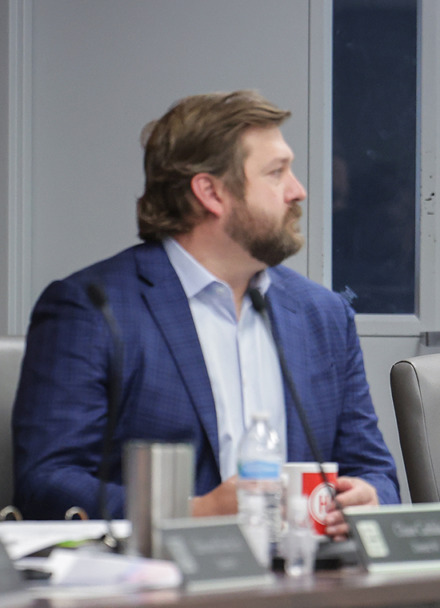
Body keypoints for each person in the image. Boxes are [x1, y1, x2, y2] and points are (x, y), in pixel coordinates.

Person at [13, 91, 399, 535]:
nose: (298, 191)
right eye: (276, 174)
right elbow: (45, 482)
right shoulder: (93, 308)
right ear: (211, 192)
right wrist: (191, 511)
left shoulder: (323, 315)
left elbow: (377, 474)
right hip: (156, 586)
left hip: (306, 583)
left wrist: (367, 500)